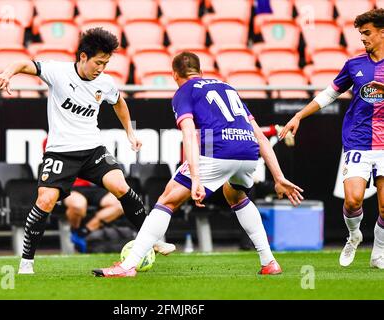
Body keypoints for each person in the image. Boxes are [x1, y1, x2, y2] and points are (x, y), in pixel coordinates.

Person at [92, 51, 304, 278]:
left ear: (174, 75)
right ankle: (269, 262)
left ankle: (128, 266)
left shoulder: (184, 91)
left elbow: (189, 134)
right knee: (236, 195)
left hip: (218, 150)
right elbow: (260, 136)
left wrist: (195, 179)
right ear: (201, 72)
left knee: (167, 199)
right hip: (249, 152)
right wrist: (278, 177)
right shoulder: (228, 88)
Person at [0, 28, 175, 274]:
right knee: (45, 200)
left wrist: (130, 133)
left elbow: (119, 103)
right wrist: (8, 73)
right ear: (82, 57)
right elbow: (26, 64)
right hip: (60, 152)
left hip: (92, 149)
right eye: (98, 62)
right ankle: (27, 263)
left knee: (122, 187)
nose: (102, 68)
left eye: (106, 63)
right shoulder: (58, 72)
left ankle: (151, 241)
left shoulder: (106, 82)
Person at [278, 9, 384, 269]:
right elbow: (329, 94)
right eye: (361, 34)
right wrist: (299, 116)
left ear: (383, 32)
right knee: (353, 200)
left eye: (367, 33)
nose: (363, 38)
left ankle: (379, 252)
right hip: (358, 140)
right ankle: (354, 235)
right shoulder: (355, 65)